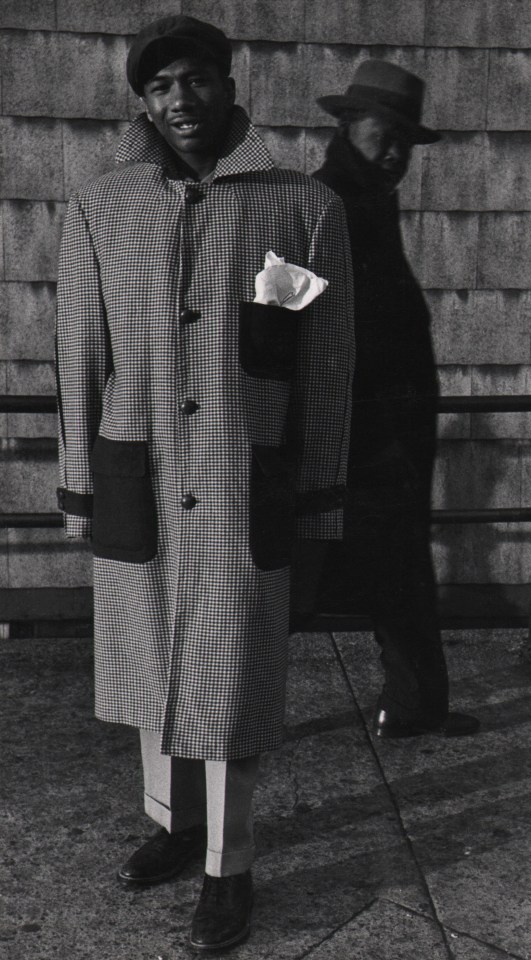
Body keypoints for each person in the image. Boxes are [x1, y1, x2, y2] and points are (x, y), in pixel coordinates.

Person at [55, 15, 354, 953]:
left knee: (228, 681)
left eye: (195, 79)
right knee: (150, 661)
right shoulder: (103, 206)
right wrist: (80, 482)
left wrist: (316, 484)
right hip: (136, 463)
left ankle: (230, 864)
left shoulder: (300, 206)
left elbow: (323, 355)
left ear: (228, 83)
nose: (180, 100)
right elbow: (80, 348)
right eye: (160, 87)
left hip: (237, 473)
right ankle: (171, 825)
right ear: (143, 101)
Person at [308, 60, 479, 740]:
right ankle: (221, 713)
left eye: (409, 140)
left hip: (391, 437)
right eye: (389, 133)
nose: (399, 152)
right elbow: (277, 315)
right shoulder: (321, 204)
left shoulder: (371, 200)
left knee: (402, 574)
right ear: (350, 126)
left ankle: (416, 708)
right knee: (300, 583)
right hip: (352, 436)